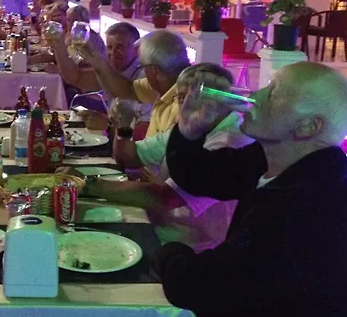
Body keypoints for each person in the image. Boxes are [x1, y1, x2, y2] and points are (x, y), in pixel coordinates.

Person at [158, 62, 347, 317]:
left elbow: (195, 286)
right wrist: (190, 131)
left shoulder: (306, 206)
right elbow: (201, 174)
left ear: (309, 126)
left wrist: (163, 249)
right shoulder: (287, 161)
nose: (255, 96)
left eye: (273, 93)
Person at [97, 63, 249, 250]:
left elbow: (165, 199)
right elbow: (128, 157)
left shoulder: (231, 143)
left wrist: (87, 185)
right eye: (181, 97)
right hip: (159, 229)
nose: (184, 105)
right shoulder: (192, 127)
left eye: (193, 97)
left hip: (192, 251)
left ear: (217, 100)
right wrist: (124, 126)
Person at [81, 29, 190, 137]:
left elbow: (147, 144)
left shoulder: (181, 108)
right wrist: (99, 62)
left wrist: (111, 127)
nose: (142, 71)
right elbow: (127, 89)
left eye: (142, 66)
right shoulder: (166, 83)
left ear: (155, 71)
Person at [51, 21, 150, 134]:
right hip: (114, 137)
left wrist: (108, 125)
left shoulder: (146, 77)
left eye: (120, 47)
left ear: (137, 50)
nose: (113, 52)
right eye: (109, 47)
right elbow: (75, 77)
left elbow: (145, 133)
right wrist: (58, 46)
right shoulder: (113, 70)